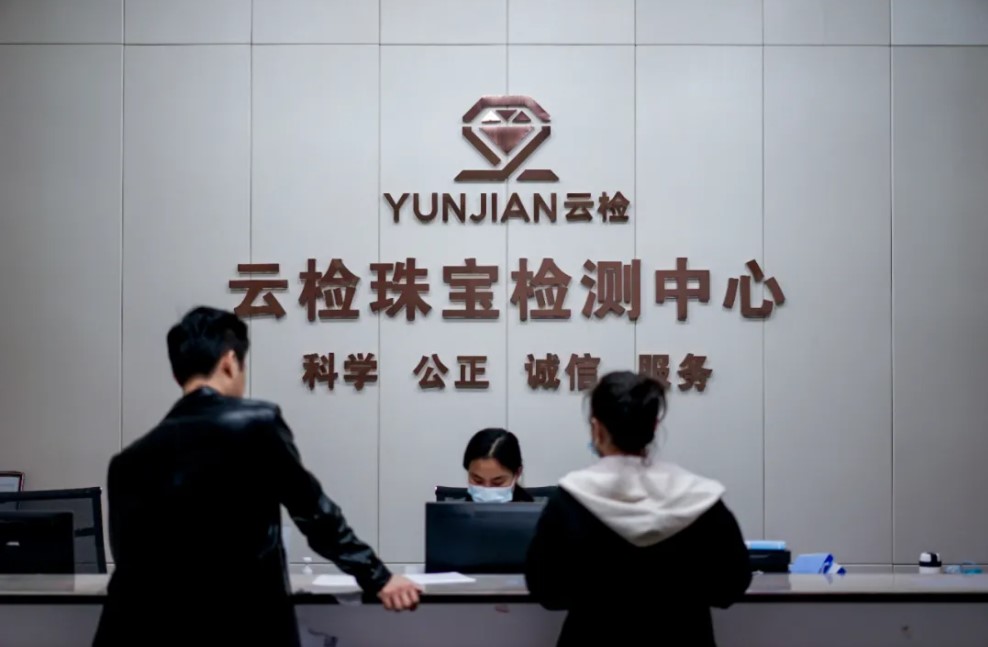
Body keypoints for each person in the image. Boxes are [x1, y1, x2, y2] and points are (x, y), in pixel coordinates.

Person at [93, 307, 420, 647]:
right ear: (230, 362)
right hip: (247, 628)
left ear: (178, 375)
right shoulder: (255, 424)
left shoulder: (127, 463)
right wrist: (378, 577)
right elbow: (314, 513)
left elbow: (129, 570)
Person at [525, 371, 752, 647]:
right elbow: (731, 587)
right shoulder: (699, 497)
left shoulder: (570, 499)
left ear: (597, 429)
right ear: (654, 426)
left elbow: (546, 591)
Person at [462, 428, 534, 503]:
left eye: (497, 483)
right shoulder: (456, 508)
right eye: (478, 481)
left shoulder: (535, 510)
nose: (487, 491)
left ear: (517, 473)